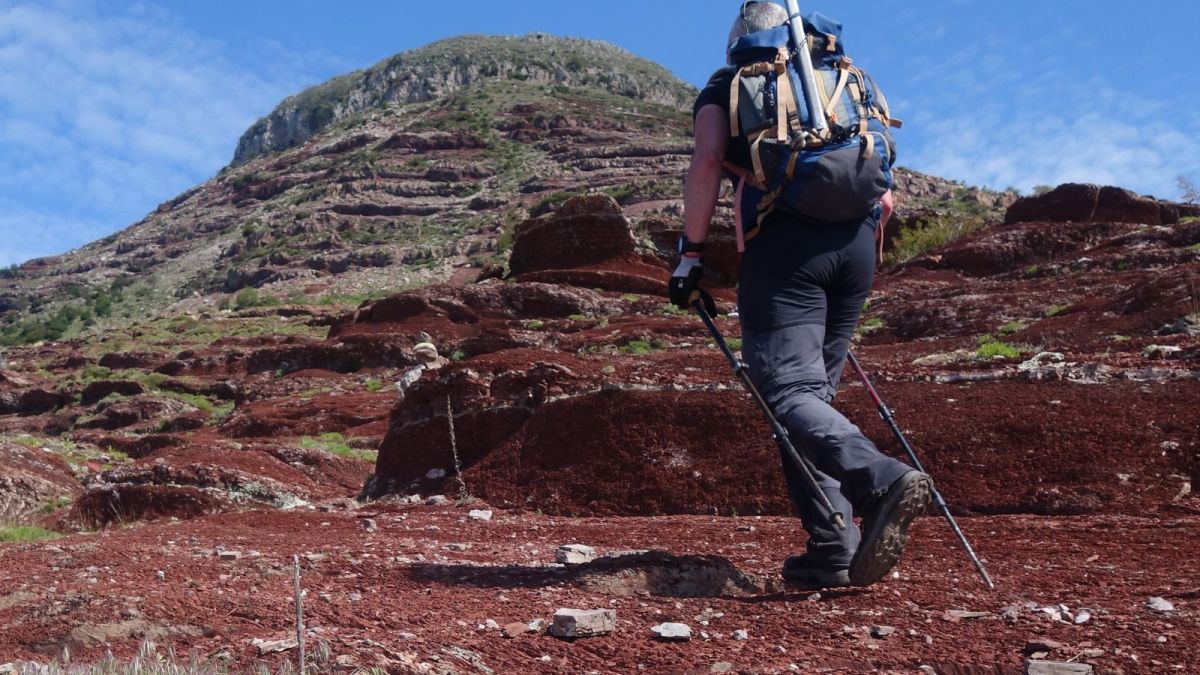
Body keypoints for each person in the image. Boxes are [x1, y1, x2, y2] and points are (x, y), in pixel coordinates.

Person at [668, 0, 932, 588]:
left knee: (788, 393)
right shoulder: (843, 77)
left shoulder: (729, 83)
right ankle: (834, 549)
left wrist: (690, 256)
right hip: (857, 247)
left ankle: (881, 480)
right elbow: (884, 193)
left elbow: (709, 159)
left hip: (786, 252)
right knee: (812, 403)